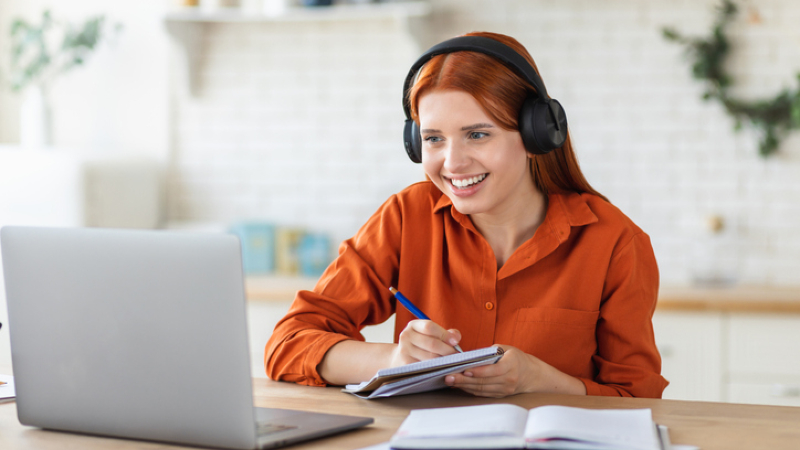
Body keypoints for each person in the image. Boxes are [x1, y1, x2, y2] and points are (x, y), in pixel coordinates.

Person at [265, 31, 668, 398]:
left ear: (535, 135)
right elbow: (288, 344)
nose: (452, 163)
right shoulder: (405, 218)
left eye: (478, 134)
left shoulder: (615, 243)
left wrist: (539, 379)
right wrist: (392, 362)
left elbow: (640, 399)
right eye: (433, 139)